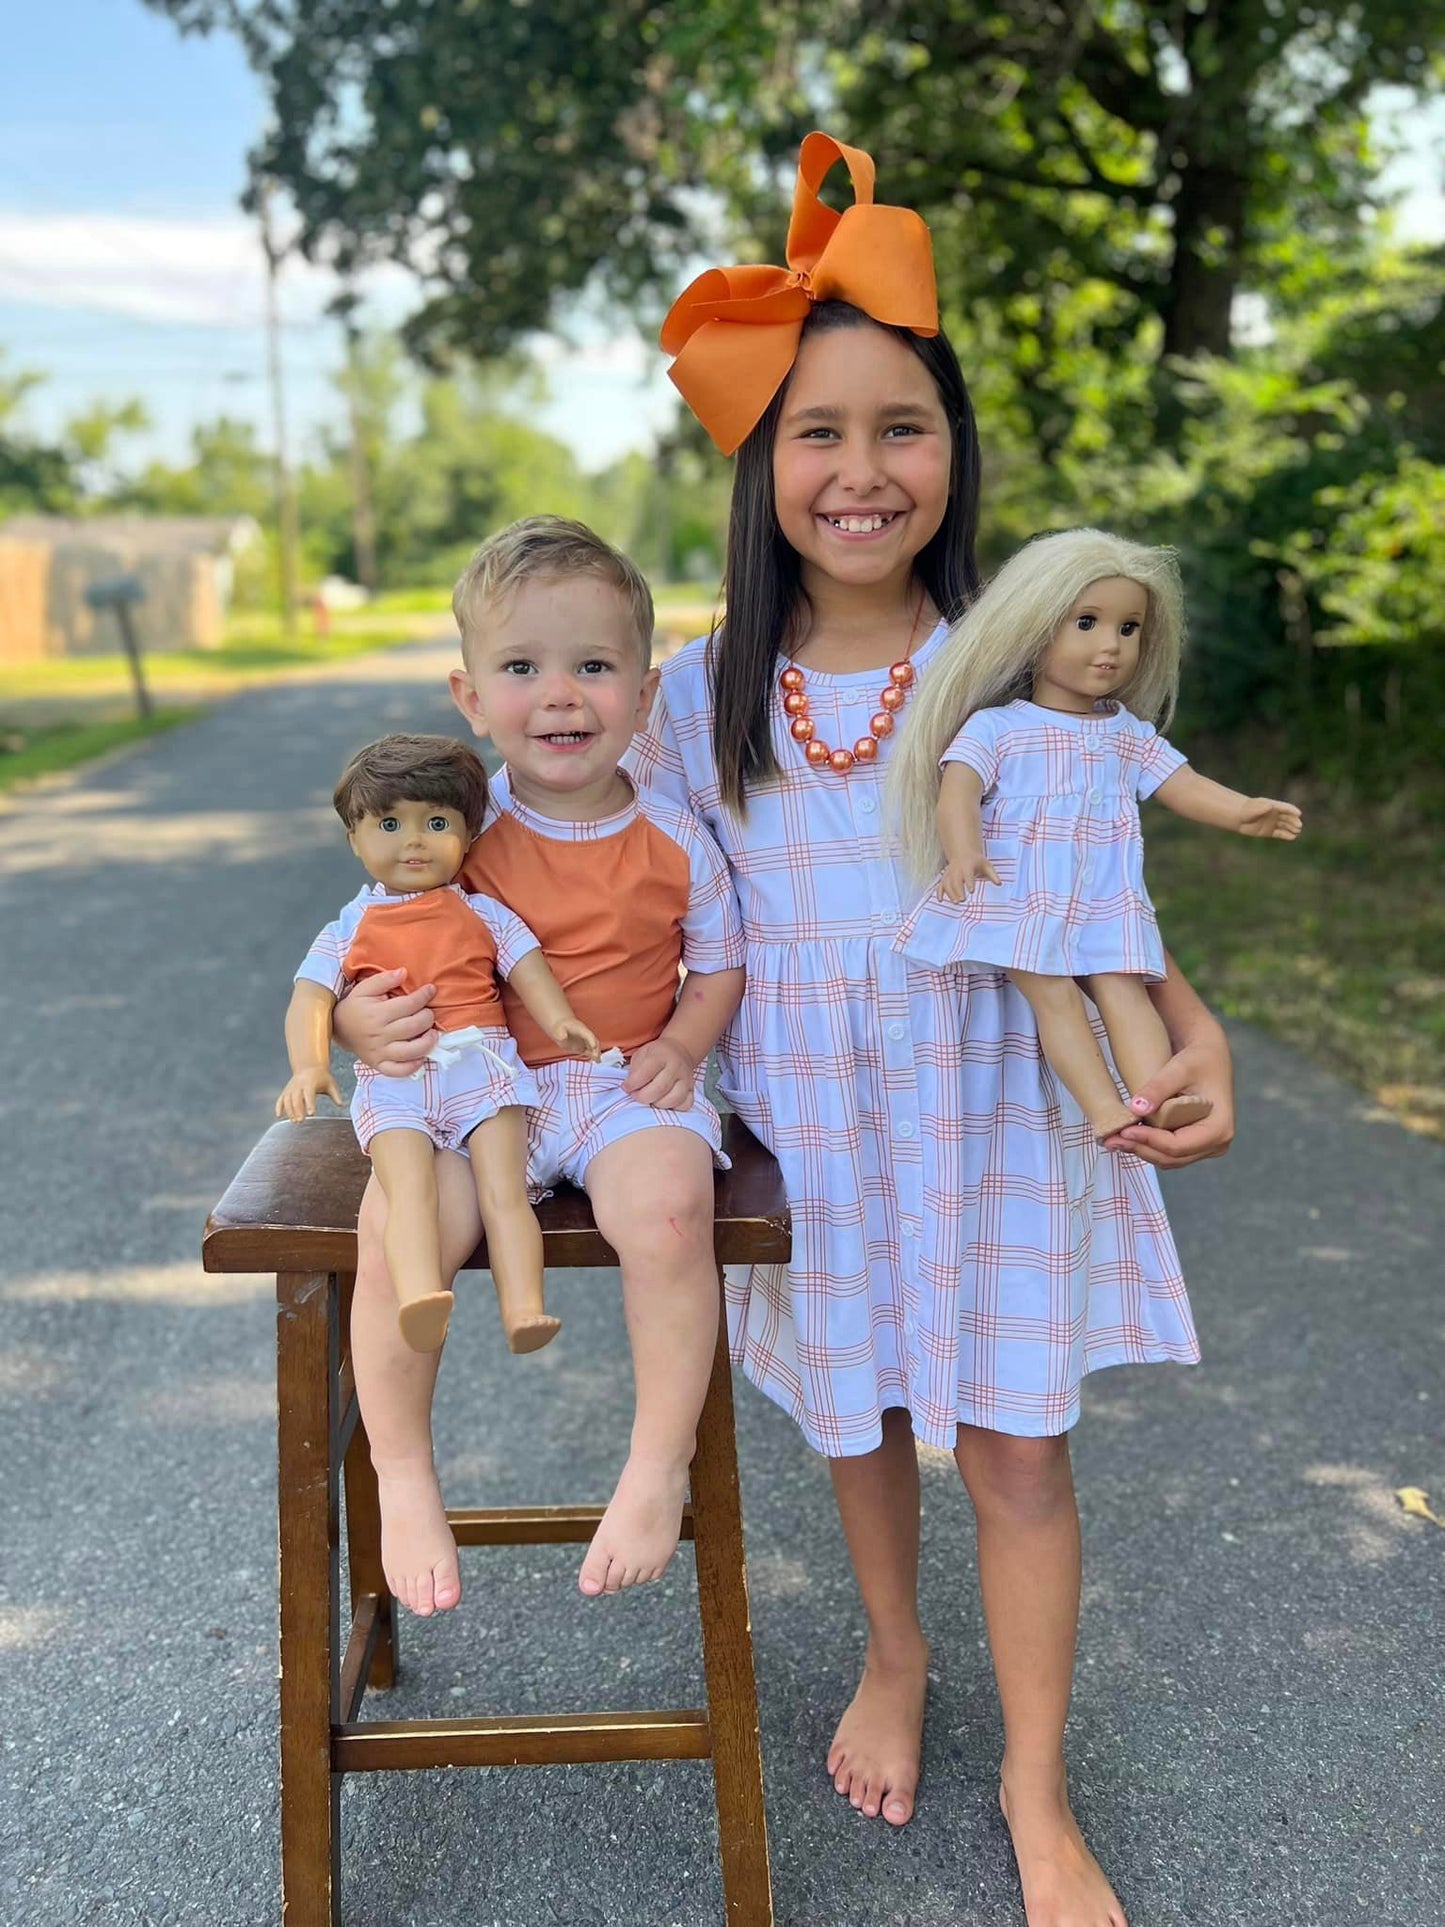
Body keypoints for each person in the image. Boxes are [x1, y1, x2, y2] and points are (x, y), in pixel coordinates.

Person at [626, 132, 1234, 1927]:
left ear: (955, 454)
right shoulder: (692, 690)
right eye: (816, 431)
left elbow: (1105, 883)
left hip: (1001, 1106)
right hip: (817, 1114)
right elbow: (612, 887)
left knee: (1019, 1446)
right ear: (762, 463)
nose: (861, 469)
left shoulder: (1016, 660)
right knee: (860, 1409)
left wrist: (1191, 1029)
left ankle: (1038, 1785)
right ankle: (896, 1649)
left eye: (902, 426)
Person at [332, 517, 746, 1608]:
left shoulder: (672, 837)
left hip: (618, 1086)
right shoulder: (449, 840)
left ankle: (654, 1467)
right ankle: (403, 1469)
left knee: (666, 1211)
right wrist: (359, 1026)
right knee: (402, 1224)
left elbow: (717, 964)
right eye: (521, 668)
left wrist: (682, 1044)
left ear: (645, 694)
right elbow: (356, 965)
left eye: (593, 667)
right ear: (468, 697)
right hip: (475, 1093)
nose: (560, 695)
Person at [888, 529, 1302, 1139]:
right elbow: (958, 790)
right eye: (1087, 622)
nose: (1110, 646)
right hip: (1020, 893)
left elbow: (1181, 782)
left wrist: (1241, 811)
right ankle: (1104, 1108)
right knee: (1054, 997)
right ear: (1033, 628)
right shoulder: (1000, 728)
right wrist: (964, 850)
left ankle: (1155, 1098)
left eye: (1128, 629)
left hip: (1104, 896)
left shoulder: (1125, 732)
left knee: (1125, 989)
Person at [277, 732, 599, 1353]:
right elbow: (310, 997)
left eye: (436, 822)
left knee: (505, 1191)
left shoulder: (482, 912)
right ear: (356, 839)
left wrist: (560, 1021)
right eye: (390, 823)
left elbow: (527, 966)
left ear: (468, 835)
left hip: (482, 1069)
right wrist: (308, 1065)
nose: (414, 840)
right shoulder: (349, 927)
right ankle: (421, 1294)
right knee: (409, 1189)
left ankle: (524, 1308)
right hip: (399, 1082)